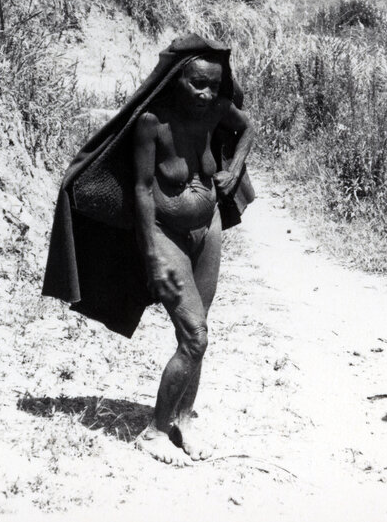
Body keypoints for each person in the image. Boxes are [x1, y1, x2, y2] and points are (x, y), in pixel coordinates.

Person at [43, 34, 254, 466]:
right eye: (196, 83)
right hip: (165, 231)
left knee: (197, 332)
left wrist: (232, 170)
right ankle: (156, 431)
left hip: (207, 227)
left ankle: (184, 420)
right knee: (195, 336)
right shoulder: (151, 123)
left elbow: (247, 125)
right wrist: (152, 257)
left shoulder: (216, 109)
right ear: (176, 80)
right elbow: (140, 190)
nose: (205, 93)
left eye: (213, 85)